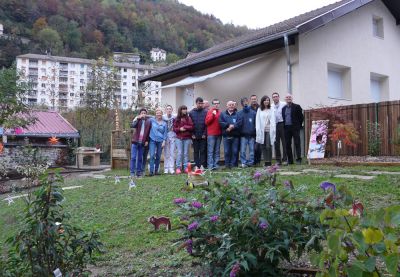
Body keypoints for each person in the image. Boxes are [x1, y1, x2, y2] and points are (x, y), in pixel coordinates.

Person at [219, 101, 242, 168]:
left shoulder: (238, 114)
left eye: (232, 105)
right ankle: (227, 165)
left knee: (235, 151)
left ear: (234, 106)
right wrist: (229, 125)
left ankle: (233, 165)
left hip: (235, 136)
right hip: (226, 136)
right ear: (227, 106)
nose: (231, 106)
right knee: (226, 151)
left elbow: (239, 123)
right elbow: (221, 122)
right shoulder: (222, 114)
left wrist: (233, 126)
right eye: (229, 105)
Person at [282, 94, 304, 165]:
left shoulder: (297, 106)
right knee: (287, 144)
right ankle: (290, 160)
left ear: (292, 98)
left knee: (297, 143)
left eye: (290, 97)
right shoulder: (283, 108)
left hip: (295, 127)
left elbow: (301, 117)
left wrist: (298, 125)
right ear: (285, 99)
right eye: (287, 97)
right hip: (286, 128)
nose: (288, 98)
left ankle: (298, 159)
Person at [130, 108, 152, 177]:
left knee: (140, 158)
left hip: (142, 142)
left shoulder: (148, 122)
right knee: (133, 157)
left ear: (146, 114)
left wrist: (147, 141)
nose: (143, 114)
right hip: (135, 142)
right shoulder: (137, 120)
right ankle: (132, 172)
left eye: (144, 113)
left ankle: (138, 172)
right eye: (142, 113)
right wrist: (138, 118)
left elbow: (149, 133)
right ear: (140, 114)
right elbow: (132, 125)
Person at [256, 96, 276, 166]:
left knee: (268, 146)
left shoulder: (271, 109)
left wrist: (273, 129)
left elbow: (273, 120)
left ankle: (269, 161)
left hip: (269, 130)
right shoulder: (259, 109)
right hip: (262, 131)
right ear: (262, 101)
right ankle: (266, 162)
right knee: (263, 146)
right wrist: (258, 130)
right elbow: (257, 120)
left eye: (268, 100)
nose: (266, 101)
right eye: (265, 100)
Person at [173, 105, 194, 174]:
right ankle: (178, 168)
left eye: (186, 109)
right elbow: (174, 129)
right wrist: (180, 129)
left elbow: (191, 127)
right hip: (178, 138)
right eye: (183, 109)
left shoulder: (188, 118)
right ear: (180, 110)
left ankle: (185, 168)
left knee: (185, 153)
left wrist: (185, 127)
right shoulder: (176, 119)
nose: (185, 110)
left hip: (187, 138)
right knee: (179, 153)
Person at [148, 108, 168, 176]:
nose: (158, 114)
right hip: (152, 140)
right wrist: (137, 117)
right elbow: (146, 116)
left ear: (162, 114)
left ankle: (156, 171)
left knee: (158, 156)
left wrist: (164, 141)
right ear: (155, 114)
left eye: (160, 113)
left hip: (160, 141)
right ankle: (151, 171)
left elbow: (165, 133)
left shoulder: (165, 123)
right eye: (157, 113)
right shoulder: (152, 120)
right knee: (152, 155)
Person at [189, 97, 207, 169]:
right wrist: (192, 134)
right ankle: (197, 165)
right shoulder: (191, 112)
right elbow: (190, 124)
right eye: (199, 103)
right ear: (196, 103)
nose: (200, 105)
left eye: (201, 103)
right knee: (196, 151)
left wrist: (205, 134)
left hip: (203, 136)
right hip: (195, 136)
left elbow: (207, 124)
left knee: (202, 151)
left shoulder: (206, 112)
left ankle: (202, 165)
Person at [238, 97, 256, 167]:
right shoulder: (239, 113)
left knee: (251, 150)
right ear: (242, 104)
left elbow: (256, 124)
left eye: (246, 101)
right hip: (243, 135)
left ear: (248, 102)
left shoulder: (253, 113)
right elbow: (238, 124)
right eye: (243, 102)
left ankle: (251, 162)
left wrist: (254, 132)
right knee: (242, 151)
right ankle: (244, 162)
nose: (245, 103)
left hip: (251, 135)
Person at [205, 98, 222, 170]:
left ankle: (216, 165)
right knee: (210, 151)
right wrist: (212, 115)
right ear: (212, 104)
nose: (216, 104)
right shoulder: (209, 112)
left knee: (217, 151)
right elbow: (207, 122)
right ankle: (210, 166)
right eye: (215, 103)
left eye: (217, 103)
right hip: (211, 134)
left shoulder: (220, 112)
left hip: (219, 134)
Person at [271, 92, 287, 165]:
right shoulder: (271, 106)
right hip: (274, 125)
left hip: (282, 124)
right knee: (276, 142)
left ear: (279, 97)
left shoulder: (284, 104)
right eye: (274, 97)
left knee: (284, 142)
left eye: (276, 96)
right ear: (272, 98)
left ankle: (285, 159)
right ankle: (278, 160)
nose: (275, 98)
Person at [163, 105, 176, 174]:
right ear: (165, 110)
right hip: (166, 136)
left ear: (172, 110)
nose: (169, 110)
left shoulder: (175, 116)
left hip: (173, 136)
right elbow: (153, 117)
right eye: (167, 109)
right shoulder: (163, 117)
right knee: (166, 153)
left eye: (170, 109)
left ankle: (171, 168)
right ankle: (166, 168)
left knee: (172, 153)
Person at [250, 94, 261, 165]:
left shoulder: (260, 108)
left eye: (255, 99)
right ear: (251, 100)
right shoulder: (249, 108)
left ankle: (258, 161)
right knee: (252, 147)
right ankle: (253, 161)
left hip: (259, 130)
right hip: (252, 130)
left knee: (258, 147)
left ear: (257, 99)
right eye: (252, 99)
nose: (254, 100)